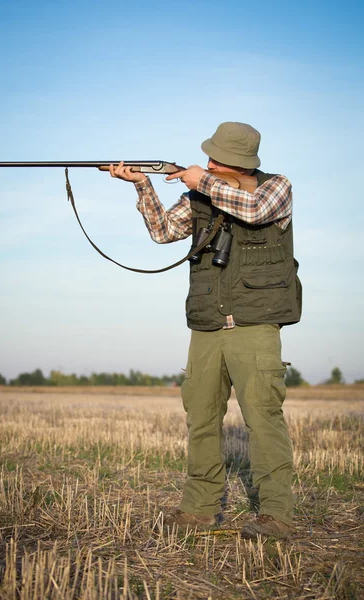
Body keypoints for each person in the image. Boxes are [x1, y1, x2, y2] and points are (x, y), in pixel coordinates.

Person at [109, 122, 302, 540]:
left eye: (218, 160)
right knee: (201, 418)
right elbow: (162, 232)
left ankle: (276, 515)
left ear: (240, 164)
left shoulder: (276, 187)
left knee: (263, 419)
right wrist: (142, 185)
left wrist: (205, 180)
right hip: (207, 325)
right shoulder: (200, 193)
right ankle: (198, 508)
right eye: (209, 158)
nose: (209, 162)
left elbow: (252, 211)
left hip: (255, 325)